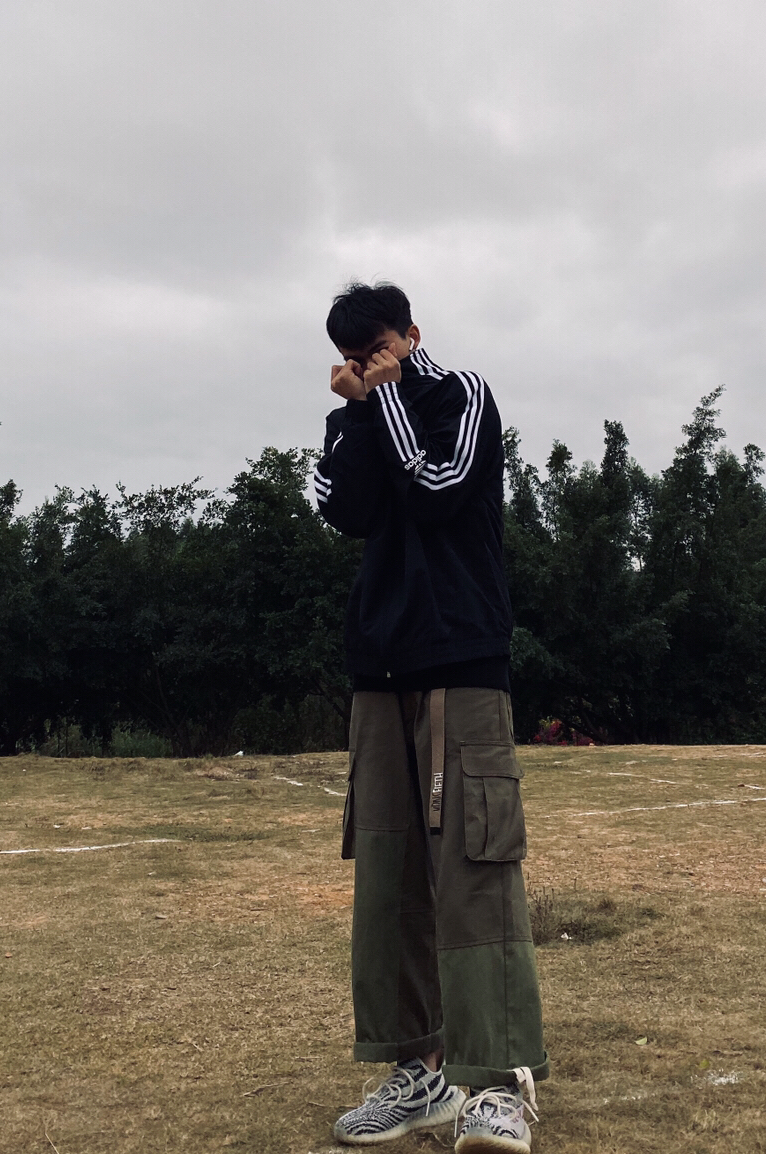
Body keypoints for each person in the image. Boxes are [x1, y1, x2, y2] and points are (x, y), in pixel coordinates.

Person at [313, 282, 548, 1153]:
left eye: (380, 347)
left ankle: (497, 1086)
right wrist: (358, 412)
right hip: (379, 666)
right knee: (390, 877)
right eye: (353, 355)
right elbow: (342, 509)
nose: (367, 364)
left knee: (475, 871)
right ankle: (417, 1073)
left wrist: (385, 397)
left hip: (461, 657)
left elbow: (439, 486)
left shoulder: (461, 394)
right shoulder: (355, 416)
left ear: (412, 334)